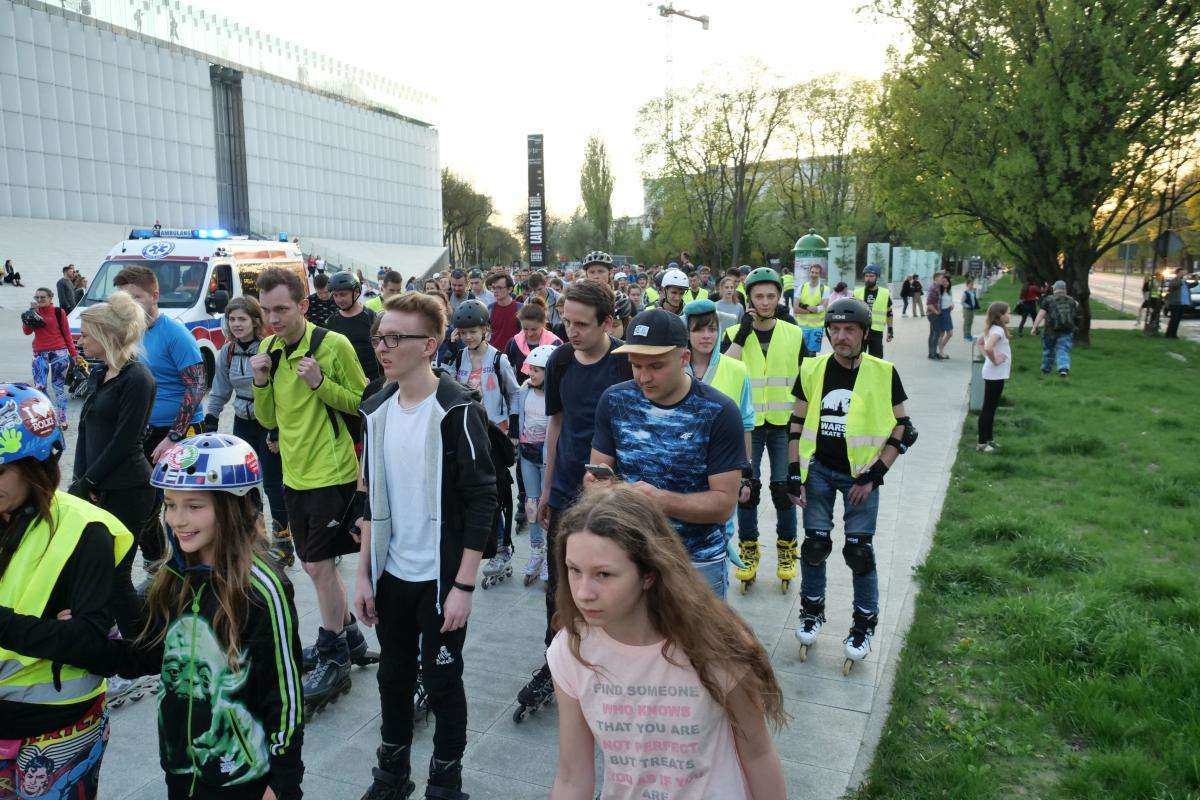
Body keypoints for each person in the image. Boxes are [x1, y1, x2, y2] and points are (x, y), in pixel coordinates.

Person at [19, 434, 305, 799]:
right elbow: (147, 654)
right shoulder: (173, 576)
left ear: (233, 507)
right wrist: (77, 642)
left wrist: (282, 783)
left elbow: (286, 695)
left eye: (194, 506)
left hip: (245, 779)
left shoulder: (262, 589)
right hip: (180, 766)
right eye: (170, 505)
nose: (178, 520)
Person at [547, 484, 788, 800]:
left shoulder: (714, 644)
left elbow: (757, 755)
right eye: (574, 571)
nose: (583, 592)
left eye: (603, 574)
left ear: (648, 574)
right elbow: (572, 777)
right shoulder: (572, 650)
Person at [355, 292, 497, 800]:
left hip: (441, 581)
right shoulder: (377, 409)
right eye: (380, 337)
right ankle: (391, 776)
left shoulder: (458, 410)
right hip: (393, 576)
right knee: (392, 678)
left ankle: (445, 782)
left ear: (429, 345)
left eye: (395, 338)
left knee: (441, 684)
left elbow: (484, 502)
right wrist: (363, 575)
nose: (382, 347)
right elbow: (371, 497)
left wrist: (463, 585)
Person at [0, 385, 132, 800]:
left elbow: (89, 642)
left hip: (52, 727)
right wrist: (47, 631)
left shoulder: (85, 531)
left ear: (36, 464)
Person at [251, 267, 368, 709]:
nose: (273, 319)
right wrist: (261, 381)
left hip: (333, 471)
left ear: (302, 306)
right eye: (266, 311)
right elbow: (267, 420)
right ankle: (349, 635)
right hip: (292, 475)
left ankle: (333, 653)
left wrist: (320, 383)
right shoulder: (266, 349)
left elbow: (363, 404)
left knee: (318, 568)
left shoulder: (332, 345)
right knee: (315, 565)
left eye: (281, 309)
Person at [515, 280, 633, 718]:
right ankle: (556, 662)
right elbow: (557, 427)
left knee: (607, 584)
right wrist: (545, 491)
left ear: (607, 322)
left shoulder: (624, 363)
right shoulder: (561, 358)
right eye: (566, 321)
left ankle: (611, 662)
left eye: (582, 324)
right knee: (559, 587)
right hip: (564, 490)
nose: (572, 331)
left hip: (611, 499)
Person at [787, 298, 914, 674]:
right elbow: (794, 425)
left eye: (849, 330)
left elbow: (905, 428)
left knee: (859, 552)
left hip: (861, 477)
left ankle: (863, 625)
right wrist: (795, 473)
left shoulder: (883, 371)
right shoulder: (812, 369)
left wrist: (875, 476)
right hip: (820, 472)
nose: (841, 338)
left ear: (863, 334)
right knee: (814, 546)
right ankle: (812, 612)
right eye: (835, 330)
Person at [588, 309, 746, 598]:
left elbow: (724, 505)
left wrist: (660, 501)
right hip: (630, 559)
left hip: (696, 563)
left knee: (696, 644)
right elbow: (596, 474)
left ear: (684, 358)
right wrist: (599, 487)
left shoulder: (719, 412)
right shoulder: (614, 400)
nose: (644, 377)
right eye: (636, 366)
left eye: (656, 366)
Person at [72, 292, 155, 645]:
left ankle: (140, 647)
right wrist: (79, 479)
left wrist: (91, 478)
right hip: (96, 485)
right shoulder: (101, 373)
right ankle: (111, 633)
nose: (81, 340)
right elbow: (85, 428)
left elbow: (125, 441)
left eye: (87, 334)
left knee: (117, 573)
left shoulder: (138, 379)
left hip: (128, 488)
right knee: (95, 570)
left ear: (107, 335)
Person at [720, 268, 806, 593]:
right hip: (749, 425)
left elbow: (805, 379)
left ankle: (787, 551)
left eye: (771, 296)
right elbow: (726, 372)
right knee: (747, 488)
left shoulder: (792, 333)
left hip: (784, 425)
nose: (766, 302)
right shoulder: (733, 334)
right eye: (759, 296)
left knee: (784, 490)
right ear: (749, 299)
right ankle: (749, 548)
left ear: (779, 298)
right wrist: (742, 334)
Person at [202, 296, 291, 564]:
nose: (237, 324)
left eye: (242, 319)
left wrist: (275, 430)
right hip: (242, 421)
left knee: (273, 483)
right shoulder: (227, 353)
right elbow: (219, 390)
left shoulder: (268, 349)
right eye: (232, 319)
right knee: (248, 482)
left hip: (267, 421)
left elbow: (281, 392)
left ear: (255, 321)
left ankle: (284, 544)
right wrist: (211, 419)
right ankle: (256, 539)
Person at [684, 300, 755, 567]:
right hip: (681, 465)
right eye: (698, 330)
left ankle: (722, 551)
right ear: (686, 333)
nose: (706, 336)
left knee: (720, 528)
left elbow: (746, 423)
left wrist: (746, 474)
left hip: (722, 466)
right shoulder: (675, 368)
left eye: (712, 329)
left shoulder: (737, 370)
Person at [515, 343, 556, 587]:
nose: (531, 374)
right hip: (527, 455)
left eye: (538, 370)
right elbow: (518, 416)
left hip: (546, 457)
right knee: (531, 504)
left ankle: (551, 556)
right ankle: (536, 551)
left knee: (546, 506)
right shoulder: (525, 391)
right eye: (531, 369)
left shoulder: (555, 395)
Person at [21, 287, 83, 428]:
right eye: (37, 297)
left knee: (58, 387)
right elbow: (27, 331)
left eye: (43, 297)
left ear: (50, 298)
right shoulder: (34, 312)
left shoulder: (58, 312)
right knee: (39, 387)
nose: (40, 300)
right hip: (39, 353)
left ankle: (62, 419)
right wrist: (29, 314)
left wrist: (74, 354)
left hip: (59, 352)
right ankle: (49, 417)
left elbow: (67, 334)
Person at [324, 271, 381, 382]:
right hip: (345, 381)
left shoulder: (371, 317)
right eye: (335, 295)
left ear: (356, 292)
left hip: (373, 381)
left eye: (343, 294)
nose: (339, 299)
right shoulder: (331, 322)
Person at [976, 301, 1011, 453]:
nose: (1010, 315)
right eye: (1008, 312)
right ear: (1000, 315)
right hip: (994, 374)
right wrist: (994, 359)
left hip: (994, 373)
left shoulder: (993, 329)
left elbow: (980, 343)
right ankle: (982, 443)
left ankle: (988, 439)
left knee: (991, 408)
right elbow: (988, 346)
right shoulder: (998, 331)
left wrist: (989, 358)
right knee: (988, 409)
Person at [1030, 280, 1080, 376]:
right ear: (1065, 289)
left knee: (1048, 350)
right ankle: (1063, 368)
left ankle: (1046, 369)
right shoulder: (1072, 300)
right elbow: (1076, 308)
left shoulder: (1048, 300)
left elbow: (1041, 314)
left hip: (1050, 331)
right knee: (1063, 349)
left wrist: (1034, 327)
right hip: (1067, 330)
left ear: (1054, 289)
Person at [506, 298, 562, 377]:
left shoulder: (554, 343)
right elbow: (509, 371)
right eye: (525, 328)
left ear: (543, 324)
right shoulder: (514, 342)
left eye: (534, 329)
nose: (529, 333)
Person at [853, 264, 894, 358]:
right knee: (857, 358)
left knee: (876, 360)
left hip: (876, 332)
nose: (868, 278)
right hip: (860, 331)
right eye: (866, 276)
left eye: (871, 276)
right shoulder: (857, 292)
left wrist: (890, 330)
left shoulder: (884, 293)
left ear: (877, 277)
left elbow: (889, 313)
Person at [794, 263, 829, 354]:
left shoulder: (824, 289)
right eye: (812, 272)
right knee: (801, 353)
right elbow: (796, 309)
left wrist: (804, 306)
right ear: (809, 273)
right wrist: (813, 309)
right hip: (802, 326)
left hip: (817, 327)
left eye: (816, 273)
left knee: (812, 354)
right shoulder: (801, 287)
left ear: (819, 274)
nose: (814, 275)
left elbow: (823, 307)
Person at [486, 272, 522, 350]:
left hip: (514, 354)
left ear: (510, 289)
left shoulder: (520, 308)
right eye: (493, 287)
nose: (495, 291)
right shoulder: (490, 309)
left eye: (499, 288)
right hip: (494, 354)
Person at [1164, 267, 1192, 339]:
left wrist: (1196, 280)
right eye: (1181, 273)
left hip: (1183, 303)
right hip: (1175, 303)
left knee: (1178, 320)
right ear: (1177, 273)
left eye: (1183, 273)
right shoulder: (1174, 280)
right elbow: (1174, 286)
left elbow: (1190, 286)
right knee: (1174, 319)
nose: (1183, 274)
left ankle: (1174, 334)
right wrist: (1181, 281)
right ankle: (1169, 334)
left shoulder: (1183, 281)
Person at [925, 272, 945, 360]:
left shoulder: (937, 287)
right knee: (936, 334)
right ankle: (932, 354)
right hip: (933, 314)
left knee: (933, 333)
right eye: (941, 278)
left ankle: (932, 353)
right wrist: (936, 312)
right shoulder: (933, 288)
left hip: (934, 314)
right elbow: (929, 303)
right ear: (936, 278)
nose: (943, 279)